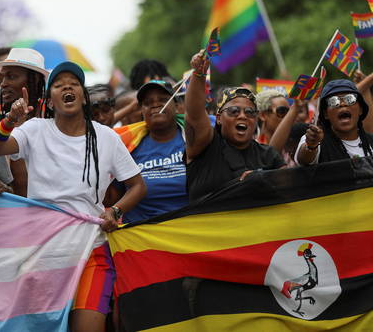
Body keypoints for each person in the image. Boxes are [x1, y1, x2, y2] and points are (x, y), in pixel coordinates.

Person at [0, 61, 146, 332]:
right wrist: (11, 120)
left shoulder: (106, 137)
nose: (67, 87)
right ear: (49, 100)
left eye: (74, 84)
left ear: (83, 97)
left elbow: (138, 186)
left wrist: (115, 211)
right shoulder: (35, 129)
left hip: (91, 251)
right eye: (59, 85)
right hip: (43, 252)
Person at [184, 51, 285, 202]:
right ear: (218, 118)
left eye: (250, 112)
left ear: (256, 119)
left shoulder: (268, 155)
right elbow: (194, 115)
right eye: (233, 111)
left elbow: (289, 184)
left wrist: (261, 179)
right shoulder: (204, 145)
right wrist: (199, 74)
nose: (242, 116)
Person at [113, 80, 188, 222]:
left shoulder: (193, 139)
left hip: (189, 233)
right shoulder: (126, 145)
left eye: (163, 100)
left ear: (177, 106)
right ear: (142, 111)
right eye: (147, 102)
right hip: (142, 239)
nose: (155, 105)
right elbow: (110, 197)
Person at [295, 79, 373, 165]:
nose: (342, 104)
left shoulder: (370, 140)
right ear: (325, 114)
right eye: (333, 101)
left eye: (350, 99)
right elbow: (303, 160)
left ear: (360, 110)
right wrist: (311, 146)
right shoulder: (315, 139)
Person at [0, 48, 48, 129]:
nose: (3, 84)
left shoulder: (52, 114)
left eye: (11, 76)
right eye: (2, 77)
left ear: (35, 79)